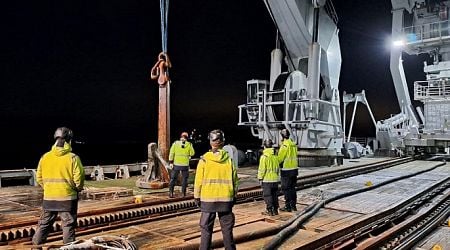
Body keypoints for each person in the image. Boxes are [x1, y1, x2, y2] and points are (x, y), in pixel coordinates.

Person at [32, 127, 85, 246]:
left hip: (49, 198)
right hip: (67, 198)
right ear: (69, 141)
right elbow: (79, 179)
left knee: (44, 223)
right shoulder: (73, 158)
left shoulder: (45, 157)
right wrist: (77, 188)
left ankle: (36, 245)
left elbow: (39, 177)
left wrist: (48, 188)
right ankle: (68, 247)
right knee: (68, 225)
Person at [194, 129, 239, 250]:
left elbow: (198, 181)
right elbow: (235, 180)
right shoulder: (229, 160)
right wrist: (234, 196)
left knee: (206, 230)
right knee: (227, 230)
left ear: (210, 142)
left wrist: (197, 197)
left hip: (208, 201)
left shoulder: (204, 160)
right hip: (226, 200)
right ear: (223, 142)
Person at [168, 131, 195, 198]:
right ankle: (183, 194)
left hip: (176, 164)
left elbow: (171, 153)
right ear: (187, 138)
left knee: (173, 179)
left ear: (180, 137)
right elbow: (192, 153)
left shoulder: (175, 143)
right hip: (185, 165)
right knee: (184, 179)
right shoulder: (189, 144)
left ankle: (171, 193)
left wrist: (171, 162)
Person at [277, 128, 298, 212]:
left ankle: (287, 206)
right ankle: (293, 206)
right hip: (294, 169)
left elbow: (280, 158)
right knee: (292, 188)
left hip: (286, 170)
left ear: (282, 136)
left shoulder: (285, 145)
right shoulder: (293, 144)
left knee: (286, 188)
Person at [257, 139, 280, 216]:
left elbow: (262, 169)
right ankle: (276, 210)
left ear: (264, 146)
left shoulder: (264, 157)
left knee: (268, 195)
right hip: (275, 179)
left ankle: (269, 210)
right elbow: (277, 169)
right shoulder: (275, 156)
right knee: (274, 195)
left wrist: (260, 178)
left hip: (267, 180)